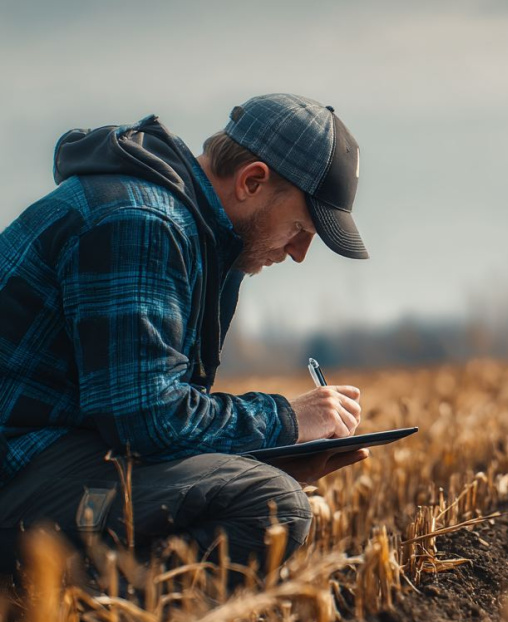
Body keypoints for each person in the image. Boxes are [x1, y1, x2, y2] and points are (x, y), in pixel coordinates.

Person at [0, 93, 370, 576]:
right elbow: (146, 420)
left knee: (262, 486)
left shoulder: (189, 233)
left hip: (52, 458)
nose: (299, 252)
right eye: (301, 227)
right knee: (271, 506)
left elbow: (149, 426)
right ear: (252, 181)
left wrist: (263, 457)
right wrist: (285, 420)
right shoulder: (141, 222)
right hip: (18, 469)